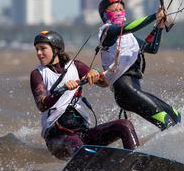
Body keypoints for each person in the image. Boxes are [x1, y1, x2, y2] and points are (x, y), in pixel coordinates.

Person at [30, 30, 140, 160]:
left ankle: (136, 161)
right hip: (57, 138)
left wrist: (96, 72)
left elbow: (104, 83)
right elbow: (42, 105)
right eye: (37, 49)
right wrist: (62, 89)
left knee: (124, 125)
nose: (39, 53)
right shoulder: (37, 74)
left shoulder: (75, 66)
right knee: (77, 144)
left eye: (43, 49)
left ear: (56, 49)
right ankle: (88, 167)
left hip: (83, 134)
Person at [97, 0, 182, 131]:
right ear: (105, 15)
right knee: (165, 121)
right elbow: (128, 27)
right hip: (125, 91)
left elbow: (151, 48)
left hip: (135, 89)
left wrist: (159, 26)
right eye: (114, 10)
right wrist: (154, 16)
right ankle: (174, 149)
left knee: (176, 116)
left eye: (121, 9)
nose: (119, 12)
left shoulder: (129, 37)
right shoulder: (107, 32)